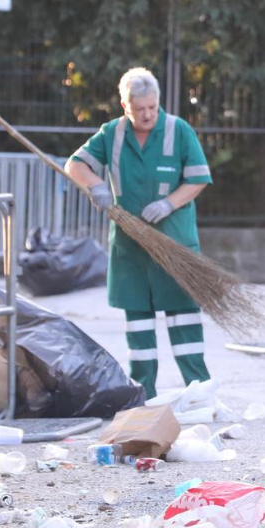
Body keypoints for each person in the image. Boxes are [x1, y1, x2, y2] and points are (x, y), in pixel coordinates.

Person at [66, 67, 213, 399]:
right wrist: (96, 186)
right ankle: (143, 393)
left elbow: (198, 179)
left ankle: (200, 391)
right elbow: (74, 164)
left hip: (174, 243)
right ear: (124, 106)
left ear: (158, 101)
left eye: (152, 107)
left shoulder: (179, 131)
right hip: (130, 247)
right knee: (139, 325)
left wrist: (168, 204)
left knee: (183, 318)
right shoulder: (111, 134)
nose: (147, 115)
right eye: (139, 109)